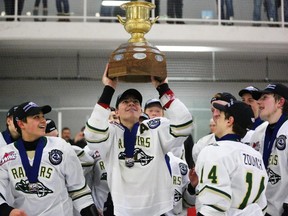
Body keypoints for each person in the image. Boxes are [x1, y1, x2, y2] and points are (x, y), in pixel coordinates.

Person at [84, 65, 193, 216]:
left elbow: (184, 125)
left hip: (156, 209)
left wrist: (163, 88)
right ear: (116, 111)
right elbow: (92, 136)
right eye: (125, 101)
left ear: (141, 110)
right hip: (120, 208)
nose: (131, 103)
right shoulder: (111, 131)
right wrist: (109, 87)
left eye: (136, 101)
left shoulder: (155, 128)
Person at [0, 101, 98, 216]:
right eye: (36, 117)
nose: (43, 121)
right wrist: (7, 211)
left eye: (43, 116)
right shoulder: (5, 154)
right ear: (21, 124)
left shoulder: (61, 147)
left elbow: (79, 192)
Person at [194, 100, 268, 216]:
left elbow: (214, 205)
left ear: (230, 121)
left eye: (221, 115)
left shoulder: (214, 150)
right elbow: (262, 205)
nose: (216, 117)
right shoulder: (256, 155)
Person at [250, 83, 288, 216]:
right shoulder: (259, 132)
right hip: (262, 209)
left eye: (264, 97)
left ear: (280, 102)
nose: (259, 102)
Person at [192, 92, 237, 163]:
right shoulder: (202, 144)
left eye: (220, 109)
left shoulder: (247, 140)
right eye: (213, 110)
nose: (215, 114)